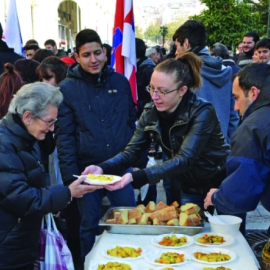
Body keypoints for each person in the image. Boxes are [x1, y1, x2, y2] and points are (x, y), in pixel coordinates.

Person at [81, 52, 230, 213]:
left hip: (220, 182)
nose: (154, 96)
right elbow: (132, 151)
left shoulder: (202, 112)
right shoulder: (150, 111)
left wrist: (136, 177)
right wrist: (102, 168)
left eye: (162, 91)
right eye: (151, 88)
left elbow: (184, 158)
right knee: (191, 233)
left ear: (182, 90)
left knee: (228, 234)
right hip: (188, 185)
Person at [55, 29, 137, 261]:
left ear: (105, 52)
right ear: (76, 56)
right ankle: (89, 263)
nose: (94, 59)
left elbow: (131, 123)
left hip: (120, 166)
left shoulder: (120, 82)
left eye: (98, 53)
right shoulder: (67, 89)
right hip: (85, 170)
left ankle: (128, 261)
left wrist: (137, 160)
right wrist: (71, 179)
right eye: (87, 54)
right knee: (88, 225)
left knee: (128, 220)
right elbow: (65, 137)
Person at [0, 82, 101, 270]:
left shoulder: (27, 138)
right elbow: (23, 198)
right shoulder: (5, 145)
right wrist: (66, 194)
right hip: (8, 246)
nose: (52, 129)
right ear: (28, 116)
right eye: (49, 122)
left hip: (19, 239)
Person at [204, 63, 270, 235]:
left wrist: (216, 197)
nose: (235, 107)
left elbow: (242, 189)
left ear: (253, 93)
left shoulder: (253, 126)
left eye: (236, 97)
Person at [173, 20, 239, 145]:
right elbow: (233, 115)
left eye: (177, 47)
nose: (176, 52)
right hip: (219, 150)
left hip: (190, 152)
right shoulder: (225, 71)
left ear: (186, 43)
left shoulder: (184, 72)